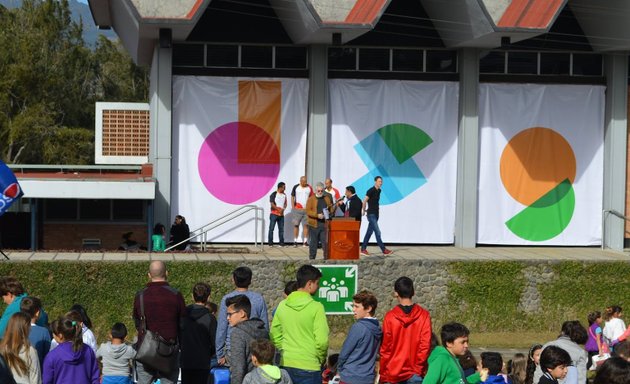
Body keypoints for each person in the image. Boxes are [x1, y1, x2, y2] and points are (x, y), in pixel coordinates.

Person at [270, 265, 329, 384]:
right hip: (309, 365)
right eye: (317, 283)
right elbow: (322, 341)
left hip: (286, 362)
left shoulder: (282, 305)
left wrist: (284, 349)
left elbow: (274, 334)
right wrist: (320, 358)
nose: (318, 286)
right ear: (310, 284)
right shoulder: (317, 308)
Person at [132, 261, 186, 384]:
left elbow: (136, 321)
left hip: (146, 350)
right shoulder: (176, 295)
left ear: (149, 275)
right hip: (169, 350)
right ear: (167, 273)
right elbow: (182, 324)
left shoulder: (140, 295)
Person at [379, 277, 432, 384]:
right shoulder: (424, 315)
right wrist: (418, 369)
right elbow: (425, 346)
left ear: (396, 293)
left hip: (393, 372)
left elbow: (386, 348)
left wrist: (383, 373)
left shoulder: (390, 317)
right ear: (413, 292)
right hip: (415, 372)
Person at [216, 267, 269, 367]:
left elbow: (222, 328)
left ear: (234, 280)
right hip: (255, 349)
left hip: (233, 348)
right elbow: (264, 326)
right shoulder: (258, 299)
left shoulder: (227, 300)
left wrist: (219, 354)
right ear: (250, 280)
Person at [337, 291, 382, 384]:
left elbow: (344, 353)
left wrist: (340, 369)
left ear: (368, 308)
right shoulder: (378, 328)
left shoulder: (358, 327)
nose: (353, 309)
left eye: (357, 306)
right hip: (367, 378)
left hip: (350, 376)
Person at [43, 316, 100, 384]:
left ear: (60, 335)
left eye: (54, 333)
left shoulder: (52, 356)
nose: (53, 335)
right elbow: (95, 377)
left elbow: (47, 381)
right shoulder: (88, 350)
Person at [227, 295, 269, 384]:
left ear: (242, 313)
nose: (228, 318)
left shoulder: (237, 333)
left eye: (230, 314)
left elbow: (238, 368)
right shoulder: (262, 330)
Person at [181, 282, 217, 384]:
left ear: (192, 296)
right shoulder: (210, 318)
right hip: (203, 360)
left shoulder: (182, 316)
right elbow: (214, 341)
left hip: (186, 359)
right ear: (209, 297)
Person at [0, 312, 41, 384]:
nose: (30, 329)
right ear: (24, 329)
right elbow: (36, 379)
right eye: (29, 326)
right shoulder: (30, 351)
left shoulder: (2, 348)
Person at [360, 176, 393, 256]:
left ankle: (363, 249)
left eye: (381, 181)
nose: (380, 183)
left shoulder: (379, 191)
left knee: (369, 232)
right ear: (375, 181)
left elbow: (374, 202)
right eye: (379, 181)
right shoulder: (370, 190)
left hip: (376, 214)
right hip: (371, 215)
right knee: (378, 232)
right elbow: (364, 201)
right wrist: (364, 210)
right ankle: (384, 250)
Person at [19, 296, 51, 370]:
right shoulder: (44, 332)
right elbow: (47, 356)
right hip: (38, 371)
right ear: (38, 313)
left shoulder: (14, 329)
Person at [305, 182, 334, 260]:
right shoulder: (311, 199)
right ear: (315, 191)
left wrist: (329, 213)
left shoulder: (326, 198)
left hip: (324, 225)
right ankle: (312, 258)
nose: (320, 192)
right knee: (313, 243)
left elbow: (331, 209)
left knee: (325, 243)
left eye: (321, 191)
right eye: (319, 191)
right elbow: (308, 211)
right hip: (314, 224)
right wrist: (317, 215)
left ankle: (326, 258)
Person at [290, 176, 313, 247]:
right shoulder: (296, 187)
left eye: (305, 181)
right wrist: (293, 207)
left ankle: (305, 241)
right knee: (296, 225)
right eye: (303, 182)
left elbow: (312, 198)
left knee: (306, 225)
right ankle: (295, 241)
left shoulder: (309, 188)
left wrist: (310, 208)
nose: (304, 183)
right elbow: (292, 196)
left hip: (306, 210)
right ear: (300, 181)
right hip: (297, 209)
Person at [268, 182, 288, 247]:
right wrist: (278, 209)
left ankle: (281, 243)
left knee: (281, 229)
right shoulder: (274, 194)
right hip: (274, 214)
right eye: (284, 187)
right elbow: (272, 204)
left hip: (281, 215)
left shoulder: (284, 195)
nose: (285, 189)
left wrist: (283, 209)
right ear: (280, 187)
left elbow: (285, 204)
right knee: (271, 229)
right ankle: (270, 243)